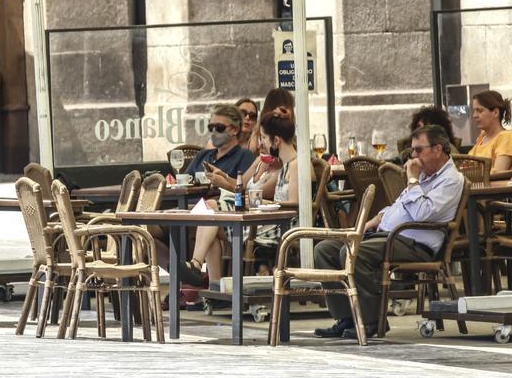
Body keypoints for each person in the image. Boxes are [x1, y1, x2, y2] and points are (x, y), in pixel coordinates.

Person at [313, 125, 463, 340]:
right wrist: (374, 220)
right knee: (325, 250)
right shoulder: (425, 176)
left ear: (438, 149)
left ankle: (372, 320)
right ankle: (346, 317)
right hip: (388, 235)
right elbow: (399, 207)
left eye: (418, 150)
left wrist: (412, 180)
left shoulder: (450, 180)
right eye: (413, 151)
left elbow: (421, 213)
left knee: (355, 253)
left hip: (415, 244)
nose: (413, 156)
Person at [181, 114, 303, 289]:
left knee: (210, 210)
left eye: (265, 139)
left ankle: (196, 266)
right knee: (210, 218)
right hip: (267, 221)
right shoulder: (286, 165)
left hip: (277, 228)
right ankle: (213, 284)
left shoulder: (295, 165)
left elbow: (294, 206)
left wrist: (258, 204)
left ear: (276, 140)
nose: (262, 144)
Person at [187, 104, 256, 187]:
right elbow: (183, 182)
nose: (214, 131)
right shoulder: (202, 155)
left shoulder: (245, 156)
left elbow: (245, 188)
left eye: (219, 127)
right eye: (211, 127)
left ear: (235, 130)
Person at [469, 90, 512, 173]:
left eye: (480, 111)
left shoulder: (506, 138)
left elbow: (498, 172)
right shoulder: (482, 137)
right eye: (474, 111)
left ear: (495, 113)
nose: (474, 115)